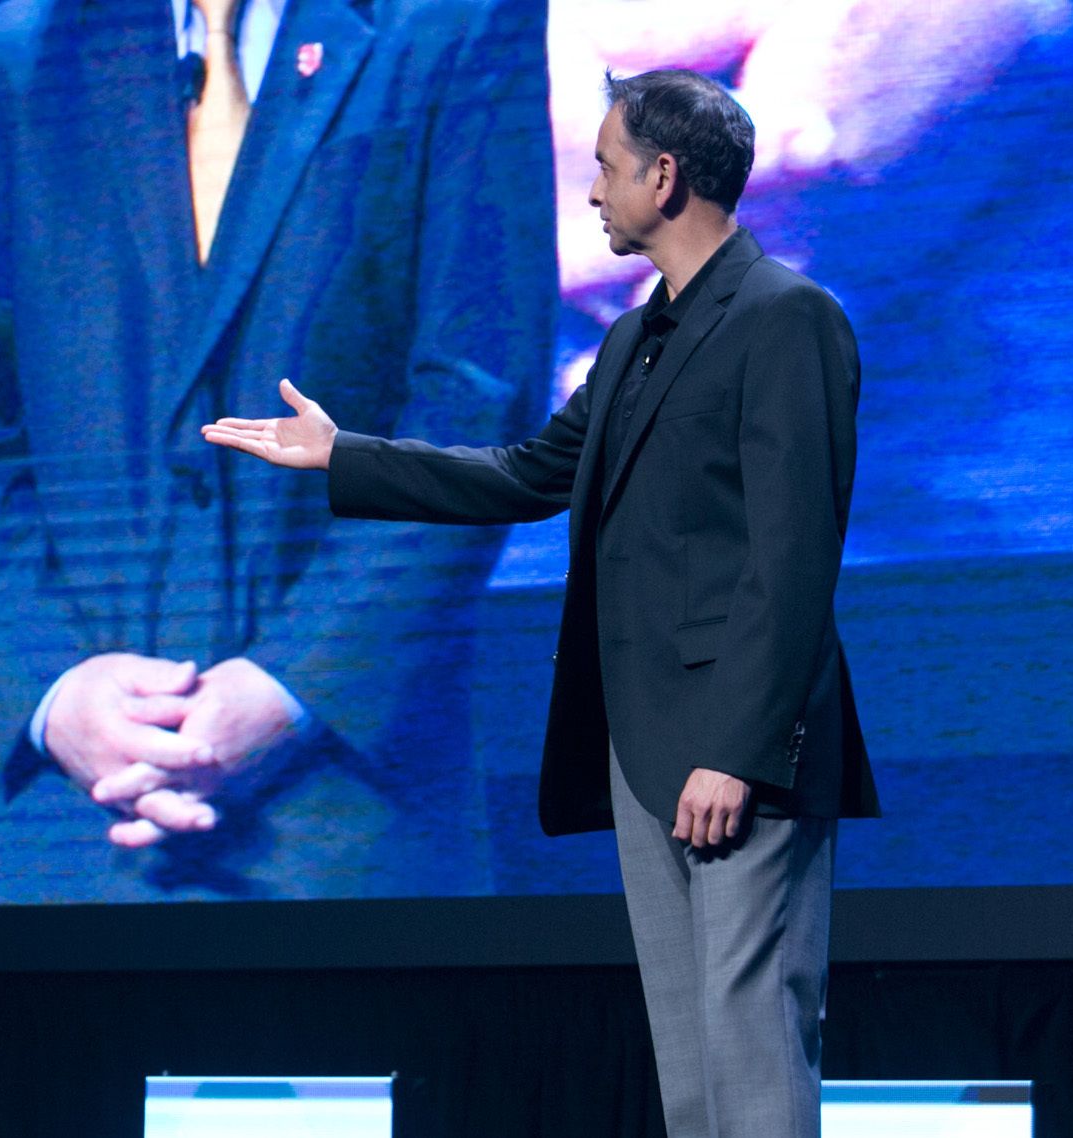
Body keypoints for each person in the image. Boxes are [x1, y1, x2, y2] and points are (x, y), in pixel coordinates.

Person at [205, 69, 881, 1138]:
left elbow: (793, 556)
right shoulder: (633, 339)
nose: (593, 191)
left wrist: (738, 750)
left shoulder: (788, 317)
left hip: (738, 748)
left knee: (752, 1039)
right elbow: (526, 474)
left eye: (608, 169)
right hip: (644, 743)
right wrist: (346, 455)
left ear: (666, 177)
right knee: (692, 1061)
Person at [0, 0, 555, 901]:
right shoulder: (19, 55)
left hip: (345, 818)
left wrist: (290, 684)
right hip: (63, 828)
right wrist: (58, 691)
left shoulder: (453, 24)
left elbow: (475, 399)